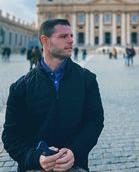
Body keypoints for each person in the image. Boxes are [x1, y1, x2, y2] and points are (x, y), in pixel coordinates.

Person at [2, 19, 104, 172]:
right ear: (45, 40)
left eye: (71, 35)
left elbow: (94, 122)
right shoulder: (20, 87)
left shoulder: (87, 80)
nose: (71, 40)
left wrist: (75, 151)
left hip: (75, 165)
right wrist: (36, 158)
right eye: (63, 36)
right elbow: (11, 135)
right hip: (33, 168)